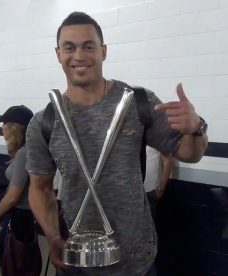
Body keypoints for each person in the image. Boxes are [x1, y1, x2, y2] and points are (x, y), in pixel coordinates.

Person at [25, 12, 208, 276]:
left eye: (88, 46)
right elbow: (39, 188)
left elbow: (191, 155)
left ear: (103, 51)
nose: (79, 55)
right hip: (77, 262)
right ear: (58, 54)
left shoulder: (138, 103)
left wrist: (195, 129)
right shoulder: (44, 122)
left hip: (136, 261)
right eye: (69, 47)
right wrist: (53, 238)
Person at [0, 105, 36, 268]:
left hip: (19, 217)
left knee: (11, 261)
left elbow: (12, 196)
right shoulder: (24, 151)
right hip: (22, 216)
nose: (2, 128)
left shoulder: (24, 153)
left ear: (15, 128)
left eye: (5, 124)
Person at [144, 146, 175, 220]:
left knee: (148, 225)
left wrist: (161, 188)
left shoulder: (157, 135)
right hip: (130, 188)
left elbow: (168, 160)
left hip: (150, 190)